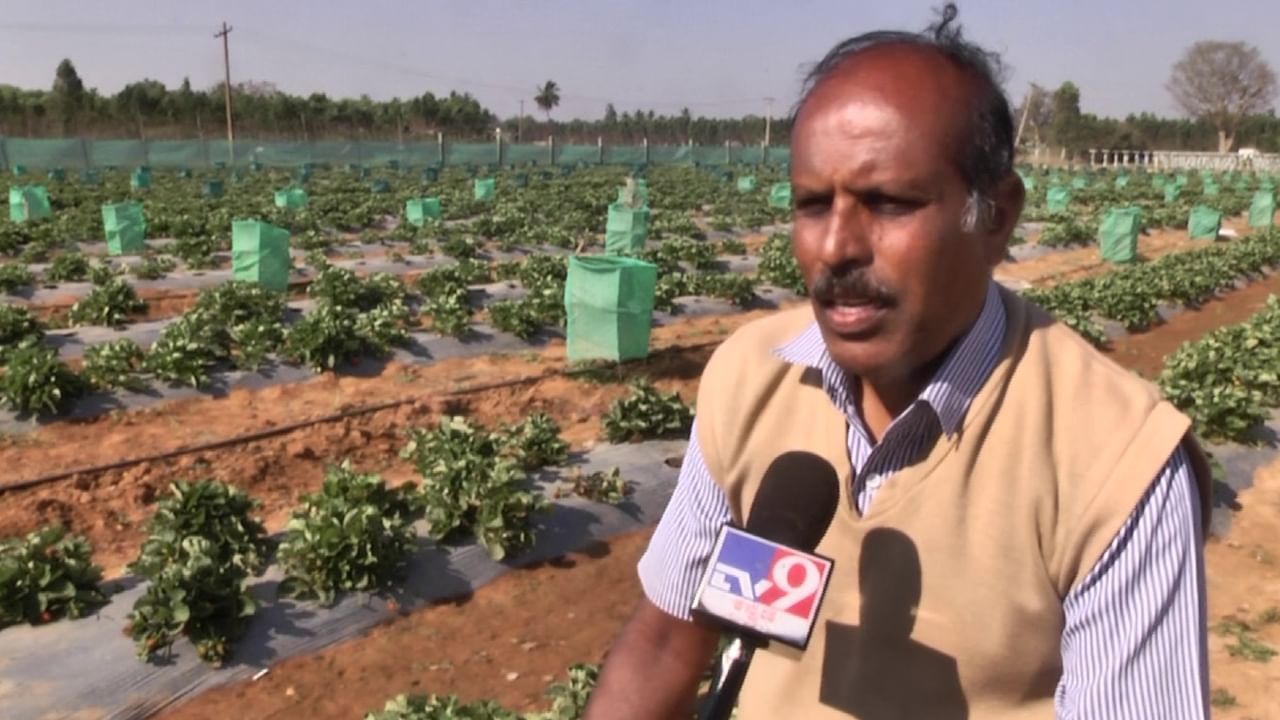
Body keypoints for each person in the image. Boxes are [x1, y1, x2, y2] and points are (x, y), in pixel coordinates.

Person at [585, 5, 1212, 720]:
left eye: (888, 202)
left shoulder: (1114, 463)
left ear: (997, 215)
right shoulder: (751, 380)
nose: (837, 246)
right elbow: (669, 641)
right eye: (813, 205)